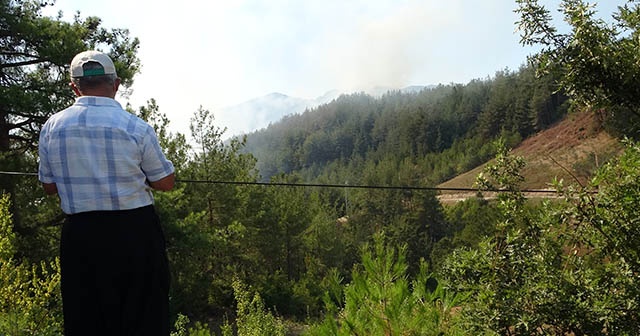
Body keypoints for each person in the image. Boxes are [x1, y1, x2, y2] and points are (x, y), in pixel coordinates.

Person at [38, 50, 175, 335]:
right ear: (116, 83)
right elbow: (165, 182)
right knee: (144, 317)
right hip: (136, 233)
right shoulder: (136, 128)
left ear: (74, 86)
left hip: (82, 236)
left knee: (86, 318)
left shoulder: (53, 127)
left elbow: (49, 188)